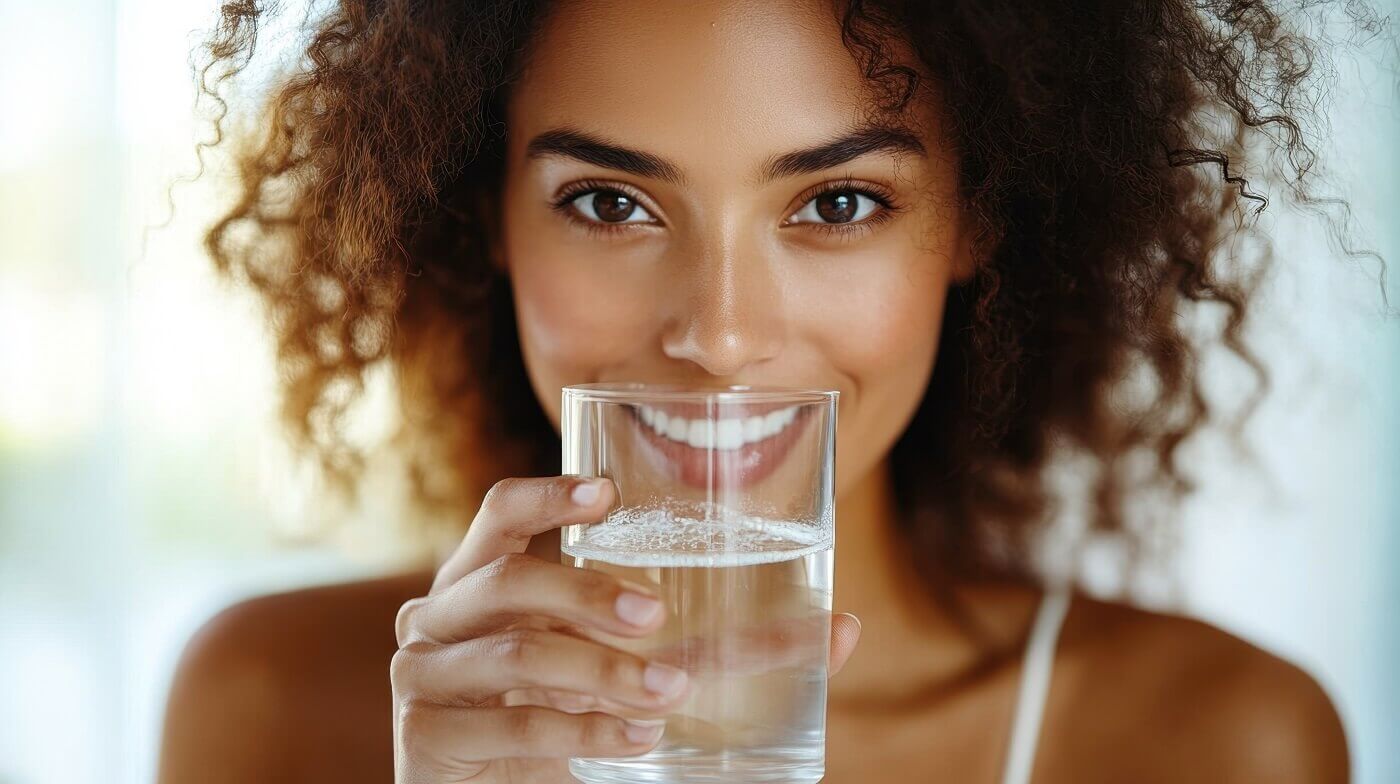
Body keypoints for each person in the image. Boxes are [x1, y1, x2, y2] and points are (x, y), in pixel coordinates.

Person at [159, 0, 1361, 781]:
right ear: (487, 222)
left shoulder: (1216, 742)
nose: (721, 335)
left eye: (835, 205)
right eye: (608, 202)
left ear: (975, 223)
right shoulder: (270, 706)